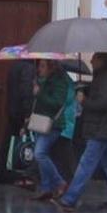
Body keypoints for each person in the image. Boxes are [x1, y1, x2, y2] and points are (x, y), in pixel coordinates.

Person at [56, 53, 107, 212]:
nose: (91, 61)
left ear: (102, 61)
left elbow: (102, 103)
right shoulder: (106, 77)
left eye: (94, 59)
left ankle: (69, 199)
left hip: (100, 128)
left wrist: (84, 101)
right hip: (104, 128)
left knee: (86, 164)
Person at [29, 60, 71, 201]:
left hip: (53, 124)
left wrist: (40, 93)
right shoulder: (42, 80)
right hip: (40, 122)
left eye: (42, 66)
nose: (39, 69)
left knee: (39, 154)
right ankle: (46, 188)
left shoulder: (60, 81)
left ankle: (60, 182)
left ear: (51, 67)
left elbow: (57, 103)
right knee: (43, 155)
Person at [0, 60, 36, 184]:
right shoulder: (28, 69)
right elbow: (26, 92)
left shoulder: (15, 67)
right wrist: (27, 113)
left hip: (13, 109)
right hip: (20, 111)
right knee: (17, 143)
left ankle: (1, 171)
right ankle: (11, 171)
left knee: (8, 142)